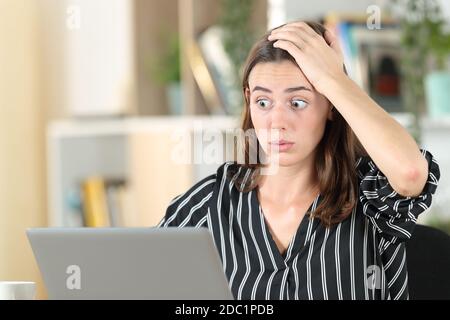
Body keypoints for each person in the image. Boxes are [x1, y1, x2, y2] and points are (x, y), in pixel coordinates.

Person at [157, 21, 440, 300]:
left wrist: (333, 79)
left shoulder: (370, 196)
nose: (277, 122)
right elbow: (142, 279)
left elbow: (411, 173)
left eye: (297, 103)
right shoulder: (210, 205)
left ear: (330, 105)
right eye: (263, 102)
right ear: (248, 100)